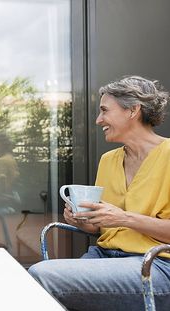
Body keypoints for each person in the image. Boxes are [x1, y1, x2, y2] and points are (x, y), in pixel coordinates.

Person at [28, 76, 170, 311]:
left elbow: (120, 219)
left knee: (41, 275)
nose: (98, 120)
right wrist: (85, 222)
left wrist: (124, 218)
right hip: (104, 256)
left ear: (133, 110)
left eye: (104, 111)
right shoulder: (108, 160)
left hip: (155, 264)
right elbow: (105, 227)